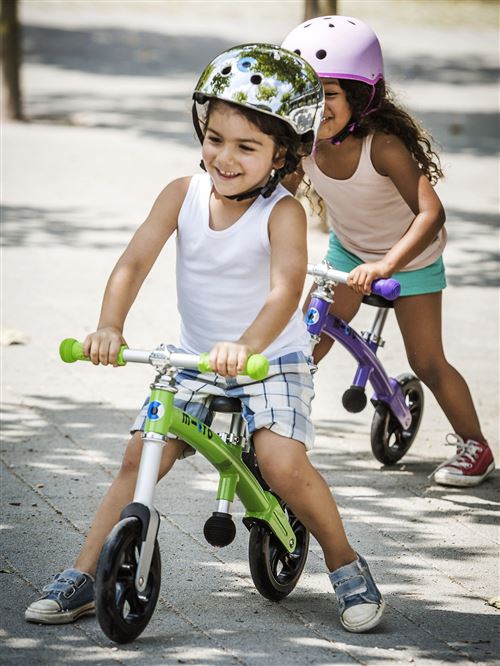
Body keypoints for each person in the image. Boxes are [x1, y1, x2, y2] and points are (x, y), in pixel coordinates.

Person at [25, 45, 385, 634]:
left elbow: (284, 292)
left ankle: (345, 564)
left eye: (246, 147)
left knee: (282, 464)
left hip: (271, 361)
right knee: (139, 454)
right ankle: (85, 575)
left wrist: (247, 346)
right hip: (195, 358)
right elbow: (133, 262)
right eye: (215, 138)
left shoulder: (283, 213)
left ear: (281, 153)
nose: (224, 157)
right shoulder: (181, 194)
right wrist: (110, 325)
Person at [281, 16, 495, 488]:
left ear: (360, 97)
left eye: (329, 94)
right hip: (349, 252)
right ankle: (277, 426)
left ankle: (475, 447)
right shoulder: (303, 146)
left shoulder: (383, 147)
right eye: (307, 93)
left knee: (427, 361)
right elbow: (277, 202)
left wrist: (386, 265)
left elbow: (431, 213)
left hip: (411, 260)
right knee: (304, 339)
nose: (317, 106)